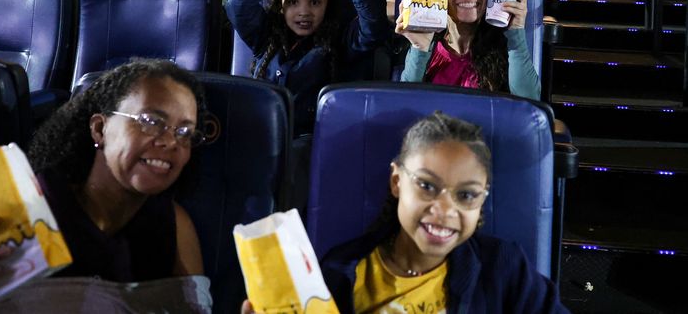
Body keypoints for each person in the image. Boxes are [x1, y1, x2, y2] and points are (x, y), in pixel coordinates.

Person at [0, 59, 210, 312]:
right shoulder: (17, 207)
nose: (171, 141)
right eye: (150, 121)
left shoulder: (175, 226)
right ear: (100, 128)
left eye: (185, 131)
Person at [240, 111, 567, 313]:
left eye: (466, 195)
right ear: (397, 182)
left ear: (481, 202)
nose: (444, 209)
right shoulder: (342, 272)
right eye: (427, 186)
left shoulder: (502, 269)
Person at [226, 0, 387, 132]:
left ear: (328, 4)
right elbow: (237, 6)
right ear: (281, 4)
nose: (304, 11)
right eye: (293, 2)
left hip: (311, 141)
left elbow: (373, 29)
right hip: (261, 132)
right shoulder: (267, 34)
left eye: (315, 2)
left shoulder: (339, 41)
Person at [397, 0, 539, 100]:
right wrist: (420, 49)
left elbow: (529, 102)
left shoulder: (507, 45)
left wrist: (516, 32)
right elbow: (405, 103)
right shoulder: (426, 44)